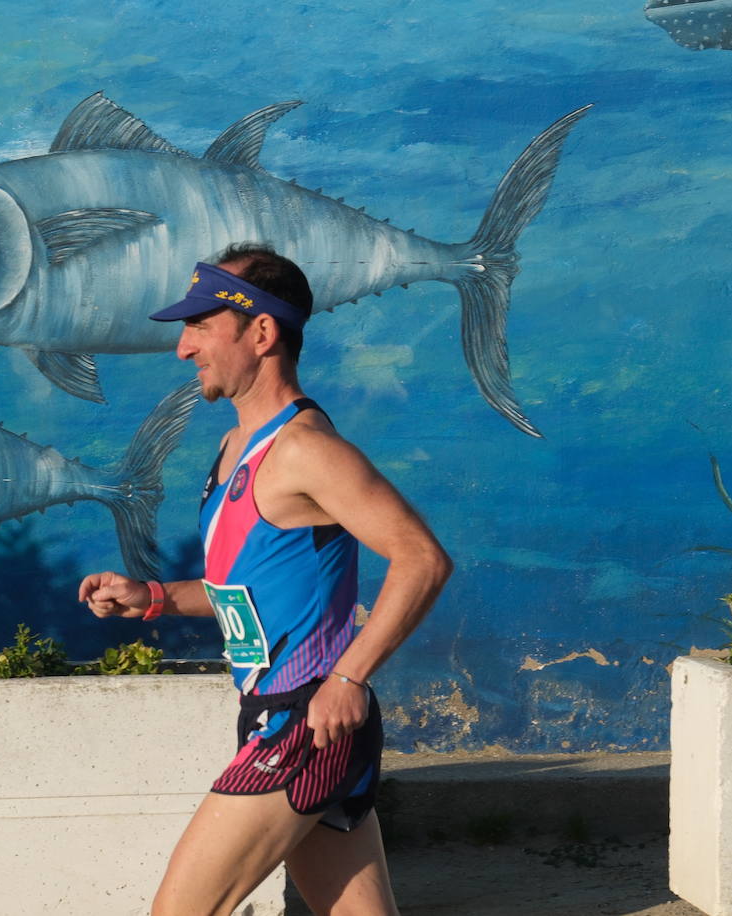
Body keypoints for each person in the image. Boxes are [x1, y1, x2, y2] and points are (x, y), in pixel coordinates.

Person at [77, 243, 452, 916]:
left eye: (200, 325)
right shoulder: (235, 450)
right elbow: (244, 594)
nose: (183, 348)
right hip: (280, 716)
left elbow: (421, 557)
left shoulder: (306, 450)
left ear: (261, 332)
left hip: (304, 721)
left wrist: (348, 678)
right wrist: (154, 597)